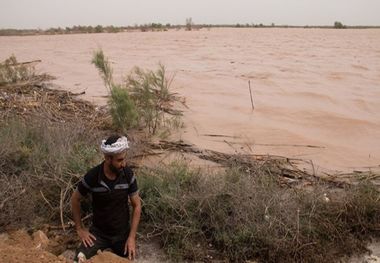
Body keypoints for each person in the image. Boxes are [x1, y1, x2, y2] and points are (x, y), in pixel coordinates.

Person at [71, 135, 141, 262]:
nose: (123, 164)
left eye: (124, 159)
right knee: (79, 259)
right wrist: (80, 229)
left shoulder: (128, 174)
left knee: (130, 259)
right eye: (119, 160)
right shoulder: (93, 176)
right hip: (98, 235)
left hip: (122, 235)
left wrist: (131, 237)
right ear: (108, 158)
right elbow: (75, 199)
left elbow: (137, 205)